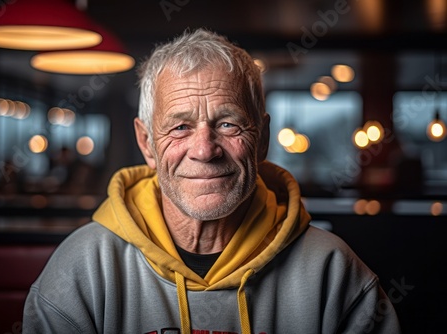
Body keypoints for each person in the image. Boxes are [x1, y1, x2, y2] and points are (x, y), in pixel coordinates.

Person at [23, 28, 401, 333]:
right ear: (146, 143)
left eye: (227, 123)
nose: (205, 150)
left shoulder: (334, 273)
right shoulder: (81, 269)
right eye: (180, 127)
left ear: (262, 140)